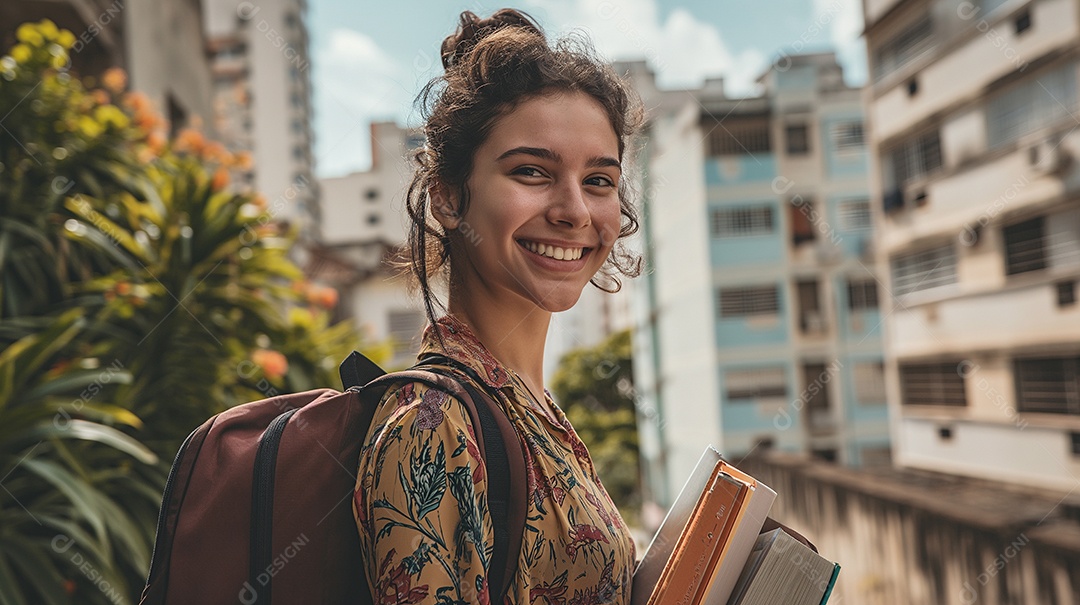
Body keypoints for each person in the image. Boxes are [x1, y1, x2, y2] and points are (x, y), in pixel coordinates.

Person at [351, 8, 644, 605]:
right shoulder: (432, 426)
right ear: (449, 197)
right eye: (532, 172)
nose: (574, 212)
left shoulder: (527, 404)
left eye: (599, 180)